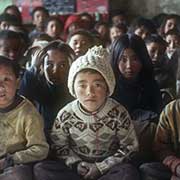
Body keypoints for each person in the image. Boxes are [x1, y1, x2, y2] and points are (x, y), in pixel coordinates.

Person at [33, 46, 140, 180]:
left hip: (108, 171)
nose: (90, 92)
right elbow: (58, 146)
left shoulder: (118, 112)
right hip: (76, 170)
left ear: (108, 87)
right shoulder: (66, 113)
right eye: (82, 85)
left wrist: (101, 167)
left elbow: (130, 147)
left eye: (97, 85)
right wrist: (76, 164)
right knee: (42, 168)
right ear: (73, 88)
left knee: (128, 172)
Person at [110, 34, 162, 160]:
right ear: (115, 60)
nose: (129, 66)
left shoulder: (150, 84)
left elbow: (159, 118)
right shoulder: (109, 86)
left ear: (143, 59)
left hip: (146, 146)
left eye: (135, 59)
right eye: (123, 59)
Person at [0, 56, 49, 180]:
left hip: (14, 164)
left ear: (17, 83)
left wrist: (10, 160)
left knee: (19, 175)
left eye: (6, 79)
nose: (1, 87)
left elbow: (40, 149)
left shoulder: (28, 112)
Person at [19, 40, 75, 137]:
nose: (55, 71)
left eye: (62, 65)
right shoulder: (36, 85)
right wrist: (33, 69)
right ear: (41, 66)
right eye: (49, 64)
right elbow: (22, 98)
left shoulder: (74, 90)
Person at [140, 99, 180, 180]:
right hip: (176, 168)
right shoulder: (171, 110)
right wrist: (176, 166)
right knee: (147, 169)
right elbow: (160, 148)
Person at [145, 34, 175, 107]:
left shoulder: (167, 77)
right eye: (152, 51)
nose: (156, 56)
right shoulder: (135, 70)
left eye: (160, 53)